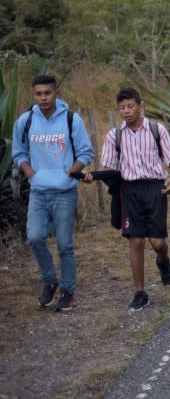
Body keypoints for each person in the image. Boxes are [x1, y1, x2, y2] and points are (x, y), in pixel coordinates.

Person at [90, 87, 170, 312]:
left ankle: (162, 259)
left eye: (131, 106)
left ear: (141, 106)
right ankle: (140, 292)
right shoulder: (114, 136)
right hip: (130, 191)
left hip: (155, 188)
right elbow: (108, 167)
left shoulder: (157, 130)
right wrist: (94, 176)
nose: (126, 111)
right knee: (136, 241)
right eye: (122, 108)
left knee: (157, 242)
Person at [12, 75, 94, 311]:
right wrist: (30, 173)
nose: (43, 98)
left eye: (47, 93)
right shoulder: (26, 120)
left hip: (65, 192)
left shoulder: (71, 119)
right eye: (38, 94)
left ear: (56, 92)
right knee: (35, 238)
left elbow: (85, 152)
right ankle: (50, 281)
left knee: (64, 245)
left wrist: (72, 171)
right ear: (33, 94)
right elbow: (19, 152)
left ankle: (68, 292)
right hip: (38, 191)